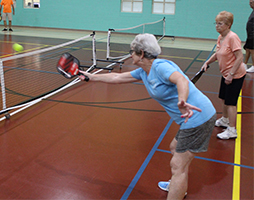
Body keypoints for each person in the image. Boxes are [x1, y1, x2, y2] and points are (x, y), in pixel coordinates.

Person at [79, 33, 216, 200]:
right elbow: (117, 77)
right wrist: (92, 77)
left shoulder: (160, 66)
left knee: (177, 165)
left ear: (141, 53)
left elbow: (182, 80)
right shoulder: (144, 71)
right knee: (175, 148)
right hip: (190, 118)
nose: (130, 55)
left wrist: (182, 100)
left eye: (132, 52)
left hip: (197, 117)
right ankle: (178, 184)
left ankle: (178, 186)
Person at [201, 11, 246, 140]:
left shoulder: (233, 37)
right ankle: (225, 120)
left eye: (220, 23)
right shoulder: (221, 37)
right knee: (223, 98)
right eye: (216, 23)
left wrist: (231, 75)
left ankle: (232, 130)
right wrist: (207, 62)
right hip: (225, 73)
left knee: (231, 102)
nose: (217, 26)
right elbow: (218, 53)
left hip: (235, 74)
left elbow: (239, 58)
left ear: (228, 25)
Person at [243, 0, 254, 73]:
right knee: (247, 49)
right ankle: (245, 64)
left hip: (253, 35)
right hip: (250, 35)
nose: (249, 4)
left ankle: (253, 66)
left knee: (252, 50)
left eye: (251, 2)